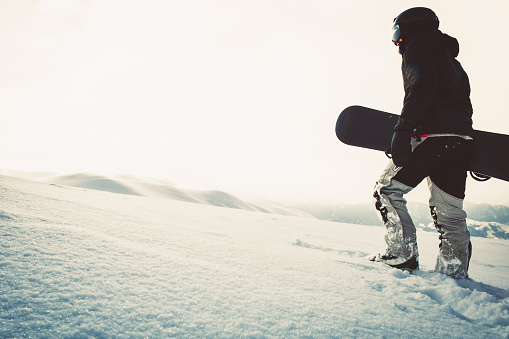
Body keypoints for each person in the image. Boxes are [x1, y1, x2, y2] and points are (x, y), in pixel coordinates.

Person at [371, 7, 474, 279]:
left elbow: (422, 86)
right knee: (450, 213)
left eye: (397, 33)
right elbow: (463, 106)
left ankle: (402, 254)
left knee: (386, 191)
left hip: (430, 138)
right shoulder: (454, 63)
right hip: (459, 141)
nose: (397, 42)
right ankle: (453, 273)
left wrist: (404, 130)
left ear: (410, 29)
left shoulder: (418, 47)